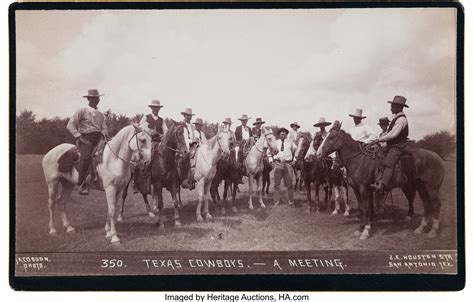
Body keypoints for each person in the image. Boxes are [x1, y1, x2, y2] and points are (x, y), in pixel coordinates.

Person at [67, 89, 108, 195]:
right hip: (86, 139)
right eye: (92, 98)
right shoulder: (82, 111)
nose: (95, 100)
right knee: (86, 157)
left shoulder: (101, 114)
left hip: (99, 138)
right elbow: (70, 125)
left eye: (97, 98)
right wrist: (78, 136)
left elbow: (104, 127)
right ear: (88, 99)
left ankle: (102, 181)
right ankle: (82, 182)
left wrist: (104, 133)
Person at [372, 96, 410, 193]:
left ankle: (383, 186)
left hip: (398, 146)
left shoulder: (401, 120)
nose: (391, 108)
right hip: (392, 145)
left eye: (393, 106)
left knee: (388, 162)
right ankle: (377, 180)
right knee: (377, 157)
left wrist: (379, 140)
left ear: (399, 107)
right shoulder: (396, 118)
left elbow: (393, 134)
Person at [133, 100, 168, 194]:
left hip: (159, 143)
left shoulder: (162, 120)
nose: (156, 109)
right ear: (151, 108)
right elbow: (139, 128)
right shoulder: (146, 117)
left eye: (157, 108)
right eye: (154, 108)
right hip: (147, 143)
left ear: (159, 109)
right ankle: (137, 182)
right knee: (144, 159)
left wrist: (162, 135)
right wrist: (150, 131)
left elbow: (166, 131)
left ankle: (168, 179)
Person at [273, 127, 297, 207]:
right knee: (276, 184)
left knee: (289, 184)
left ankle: (291, 201)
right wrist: (271, 160)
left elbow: (297, 150)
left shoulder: (290, 142)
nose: (283, 134)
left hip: (288, 164)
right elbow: (269, 152)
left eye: (284, 133)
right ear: (279, 134)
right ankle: (276, 202)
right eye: (281, 133)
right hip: (278, 164)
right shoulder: (275, 142)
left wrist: (295, 159)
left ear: (286, 134)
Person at [181, 108, 198, 190]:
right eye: (188, 115)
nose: (189, 117)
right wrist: (192, 140)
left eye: (190, 116)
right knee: (186, 160)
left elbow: (194, 135)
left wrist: (196, 139)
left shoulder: (192, 126)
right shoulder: (182, 125)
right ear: (184, 115)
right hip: (185, 146)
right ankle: (186, 180)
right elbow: (184, 138)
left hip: (194, 145)